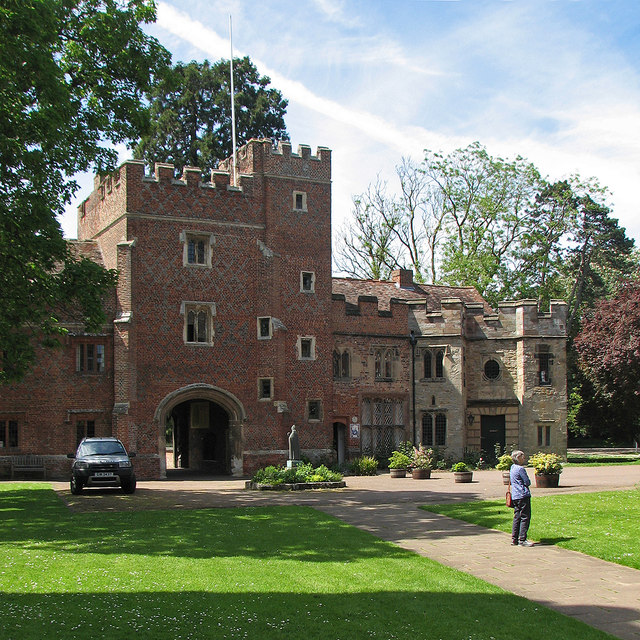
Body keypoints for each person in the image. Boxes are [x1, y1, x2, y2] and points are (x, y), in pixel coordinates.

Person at [510, 450, 534, 547]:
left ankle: (514, 539)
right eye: (522, 457)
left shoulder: (512, 468)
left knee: (517, 517)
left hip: (515, 495)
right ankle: (522, 539)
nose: (524, 459)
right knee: (525, 517)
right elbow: (527, 482)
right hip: (523, 494)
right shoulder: (520, 469)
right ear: (518, 458)